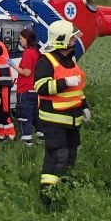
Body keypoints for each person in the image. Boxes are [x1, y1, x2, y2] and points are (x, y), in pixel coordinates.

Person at [34, 20, 90, 207]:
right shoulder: (46, 60)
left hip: (73, 120)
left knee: (71, 156)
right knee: (57, 156)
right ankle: (47, 198)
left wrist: (84, 105)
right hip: (54, 121)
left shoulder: (71, 59)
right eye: (72, 37)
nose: (75, 40)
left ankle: (65, 193)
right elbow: (41, 87)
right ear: (62, 40)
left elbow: (78, 89)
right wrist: (65, 82)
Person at [14, 27, 40, 146]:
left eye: (21, 39)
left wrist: (13, 66)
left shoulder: (28, 52)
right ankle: (41, 139)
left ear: (26, 39)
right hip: (34, 90)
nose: (20, 41)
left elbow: (26, 72)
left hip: (25, 90)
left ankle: (27, 142)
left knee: (24, 117)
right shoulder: (36, 51)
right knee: (36, 117)